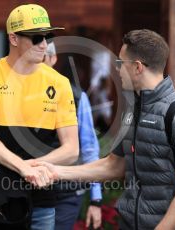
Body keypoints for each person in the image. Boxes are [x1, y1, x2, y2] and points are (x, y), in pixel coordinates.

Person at [36, 29, 175, 229]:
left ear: (137, 67)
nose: (116, 70)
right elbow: (113, 167)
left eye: (119, 63)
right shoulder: (132, 111)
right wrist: (56, 172)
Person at [0, 4, 79, 230]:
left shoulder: (59, 83)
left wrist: (31, 168)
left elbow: (72, 150)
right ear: (14, 39)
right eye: (36, 38)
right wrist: (22, 167)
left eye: (47, 37)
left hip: (40, 203)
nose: (44, 45)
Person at [44, 42, 102, 229]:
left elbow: (89, 148)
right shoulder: (21, 93)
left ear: (53, 59)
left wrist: (96, 199)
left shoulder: (76, 96)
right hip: (29, 189)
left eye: (43, 56)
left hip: (66, 193)